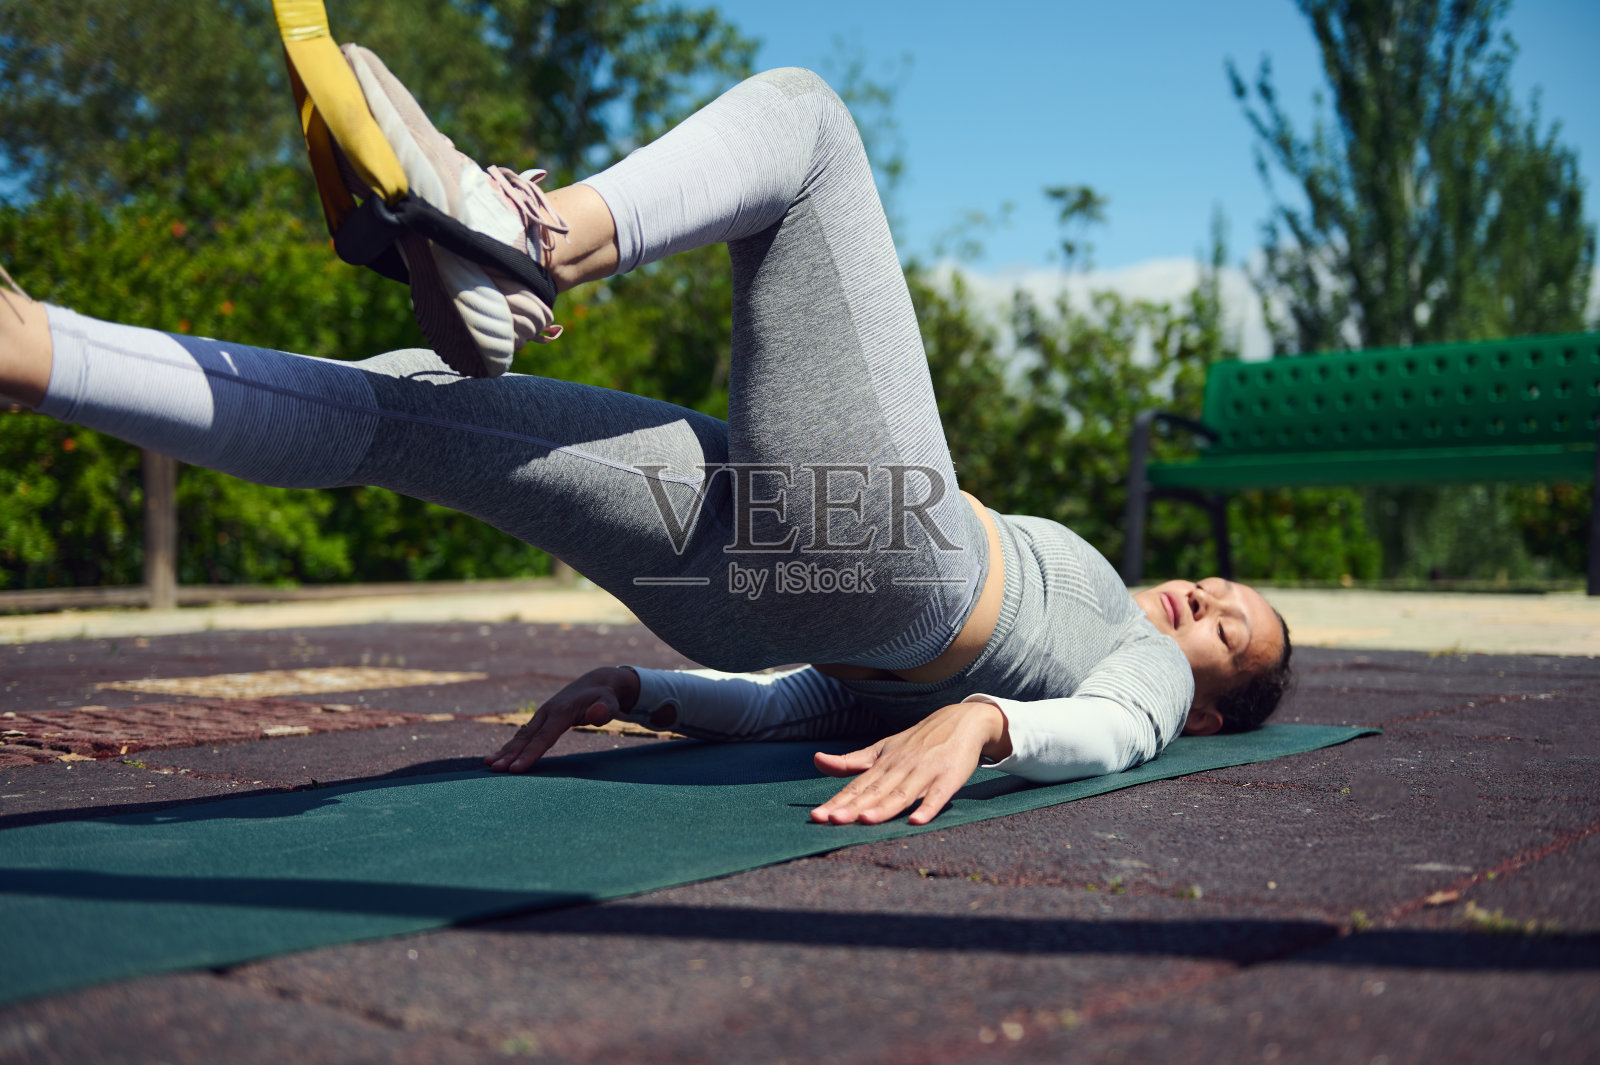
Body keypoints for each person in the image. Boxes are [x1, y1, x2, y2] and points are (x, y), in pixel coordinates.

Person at [0, 49, 1292, 828]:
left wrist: (990, 732)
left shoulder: (1138, 675)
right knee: (416, 408)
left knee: (809, 124)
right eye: (1224, 590)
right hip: (746, 585)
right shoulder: (1074, 636)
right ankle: (37, 351)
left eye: (1228, 633)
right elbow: (807, 699)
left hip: (890, 557)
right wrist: (646, 693)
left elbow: (1115, 735)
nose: (1207, 600)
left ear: (1211, 708)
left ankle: (525, 240)